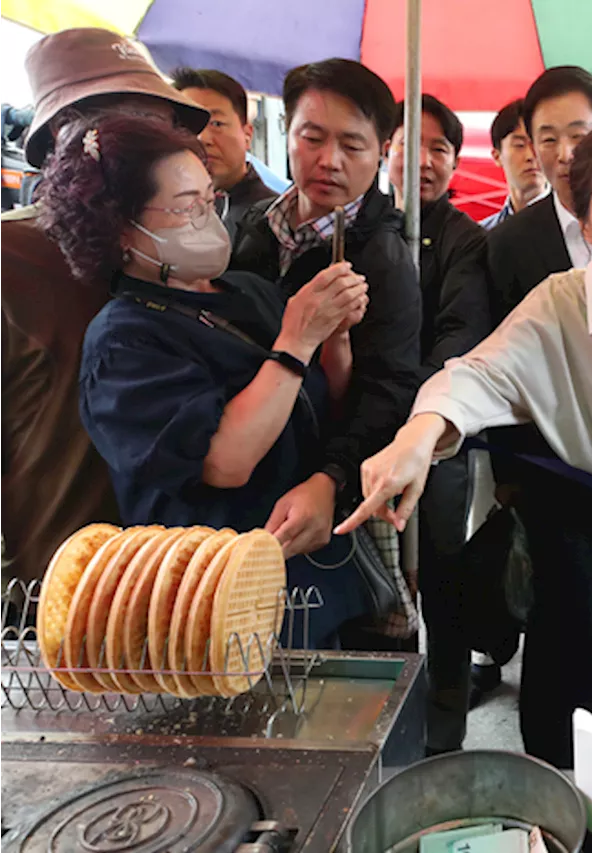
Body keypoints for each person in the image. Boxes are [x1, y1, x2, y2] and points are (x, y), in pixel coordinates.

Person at [337, 117, 592, 769]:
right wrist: (421, 433)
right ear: (584, 223)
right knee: (591, 734)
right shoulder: (558, 304)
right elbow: (478, 372)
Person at [40, 113, 370, 647]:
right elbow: (224, 462)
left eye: (209, 199)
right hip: (211, 601)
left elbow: (326, 402)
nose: (206, 217)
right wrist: (297, 342)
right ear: (120, 228)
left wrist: (334, 338)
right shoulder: (124, 339)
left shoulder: (247, 292)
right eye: (184, 206)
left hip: (309, 580)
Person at [0, 28, 207, 591]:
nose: (134, 146)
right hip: (57, 595)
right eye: (111, 126)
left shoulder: (186, 249)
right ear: (57, 149)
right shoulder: (10, 259)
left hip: (189, 584)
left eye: (153, 127)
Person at [229, 59, 422, 637]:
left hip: (327, 491)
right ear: (286, 132)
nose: (329, 161)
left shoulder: (384, 260)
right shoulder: (249, 227)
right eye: (312, 137)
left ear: (383, 151)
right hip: (249, 469)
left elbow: (390, 388)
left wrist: (330, 478)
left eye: (353, 145)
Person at [386, 93, 493, 753]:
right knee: (375, 596)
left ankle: (443, 740)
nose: (423, 160)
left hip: (437, 445)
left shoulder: (465, 240)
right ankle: (382, 732)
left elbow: (461, 335)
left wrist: (409, 416)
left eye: (440, 148)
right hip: (356, 448)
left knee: (444, 591)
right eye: (410, 144)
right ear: (385, 150)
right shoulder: (354, 226)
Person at [487, 66, 592, 322]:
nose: (565, 155)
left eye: (579, 136)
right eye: (549, 140)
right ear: (533, 146)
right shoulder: (507, 244)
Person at [171, 67, 277, 243]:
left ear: (248, 135)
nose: (202, 138)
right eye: (187, 125)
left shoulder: (271, 217)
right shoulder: (163, 211)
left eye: (216, 123)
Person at [480, 99, 548, 231]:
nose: (530, 156)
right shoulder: (483, 236)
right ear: (497, 156)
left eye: (537, 143)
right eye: (519, 145)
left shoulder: (573, 227)